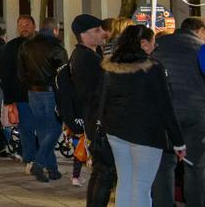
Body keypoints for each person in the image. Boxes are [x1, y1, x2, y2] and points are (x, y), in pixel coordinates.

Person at [100, 24, 186, 207]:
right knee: (141, 186)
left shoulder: (110, 66)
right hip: (146, 134)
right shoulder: (152, 68)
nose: (155, 47)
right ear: (144, 44)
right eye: (154, 43)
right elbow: (165, 106)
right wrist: (178, 141)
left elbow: (102, 100)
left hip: (115, 131)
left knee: (124, 181)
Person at [152, 16, 205, 207]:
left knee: (164, 165)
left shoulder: (158, 45)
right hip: (196, 113)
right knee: (196, 166)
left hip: (164, 113)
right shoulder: (200, 47)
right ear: (200, 30)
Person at [67, 14, 112, 200]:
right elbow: (97, 92)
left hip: (94, 117)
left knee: (101, 171)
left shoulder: (91, 55)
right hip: (97, 118)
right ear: (84, 35)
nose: (103, 33)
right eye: (97, 30)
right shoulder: (86, 59)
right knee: (105, 171)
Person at [18, 17, 68, 183]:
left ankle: (52, 169)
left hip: (33, 92)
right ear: (55, 30)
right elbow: (64, 77)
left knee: (42, 130)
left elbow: (20, 72)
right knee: (55, 129)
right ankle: (39, 163)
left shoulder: (26, 46)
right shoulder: (58, 49)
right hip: (51, 93)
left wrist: (29, 84)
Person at [0, 15, 36, 163]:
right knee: (26, 128)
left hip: (41, 93)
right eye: (21, 25)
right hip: (21, 95)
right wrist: (9, 98)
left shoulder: (40, 44)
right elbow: (6, 72)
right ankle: (29, 157)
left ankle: (38, 156)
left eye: (27, 25)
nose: (24, 28)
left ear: (34, 26)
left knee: (42, 128)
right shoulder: (11, 47)